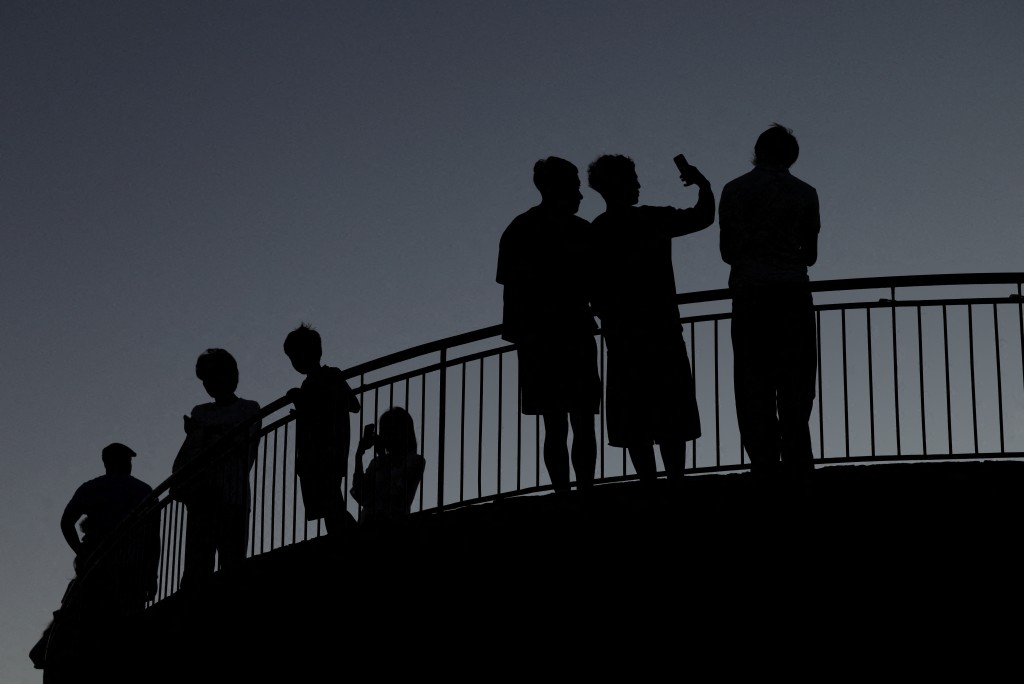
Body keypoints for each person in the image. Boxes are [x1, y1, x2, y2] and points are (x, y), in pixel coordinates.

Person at [587, 153, 715, 485]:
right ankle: (675, 484)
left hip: (622, 336)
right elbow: (703, 216)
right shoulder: (651, 219)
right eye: (633, 179)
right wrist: (703, 184)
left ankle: (649, 486)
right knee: (672, 411)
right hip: (662, 331)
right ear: (621, 183)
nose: (639, 184)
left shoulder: (597, 231)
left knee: (633, 418)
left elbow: (592, 287)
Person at [719, 123, 820, 485]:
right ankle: (797, 462)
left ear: (757, 151)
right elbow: (810, 255)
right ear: (791, 156)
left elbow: (727, 252)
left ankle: (763, 464)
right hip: (792, 293)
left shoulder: (733, 190)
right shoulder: (805, 193)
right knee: (796, 384)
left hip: (749, 294)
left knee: (752, 384)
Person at [495, 156, 602, 495]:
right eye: (574, 185)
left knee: (556, 422)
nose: (580, 194)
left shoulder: (520, 229)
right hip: (565, 334)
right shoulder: (581, 231)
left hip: (540, 339)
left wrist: (520, 335)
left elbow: (512, 291)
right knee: (577, 420)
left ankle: (565, 494)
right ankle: (581, 491)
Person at [31, 442, 159, 670]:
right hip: (133, 565)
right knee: (126, 619)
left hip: (98, 564)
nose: (129, 465)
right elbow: (153, 538)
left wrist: (80, 551)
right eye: (128, 460)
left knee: (91, 616)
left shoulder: (92, 487)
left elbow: (66, 522)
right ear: (123, 462)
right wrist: (152, 574)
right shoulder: (143, 489)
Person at [172, 348, 261, 586]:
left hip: (233, 497)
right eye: (205, 379)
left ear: (229, 375)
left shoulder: (249, 408)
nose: (208, 384)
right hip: (201, 497)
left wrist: (204, 433)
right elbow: (195, 449)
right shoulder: (200, 411)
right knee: (195, 568)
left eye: (212, 376)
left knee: (232, 564)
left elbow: (241, 443)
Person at [284, 323, 361, 533]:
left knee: (330, 499)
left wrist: (311, 399)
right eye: (292, 358)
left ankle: (352, 536)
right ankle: (341, 537)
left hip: (329, 447)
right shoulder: (307, 385)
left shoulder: (331, 375)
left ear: (315, 352)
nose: (296, 361)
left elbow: (354, 405)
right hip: (311, 452)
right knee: (325, 504)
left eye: (298, 355)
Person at [350, 407, 426, 526]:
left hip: (392, 524)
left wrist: (382, 456)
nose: (385, 435)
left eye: (391, 430)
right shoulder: (376, 462)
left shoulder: (415, 461)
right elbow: (361, 494)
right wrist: (359, 454)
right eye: (384, 431)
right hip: (367, 523)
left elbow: (396, 495)